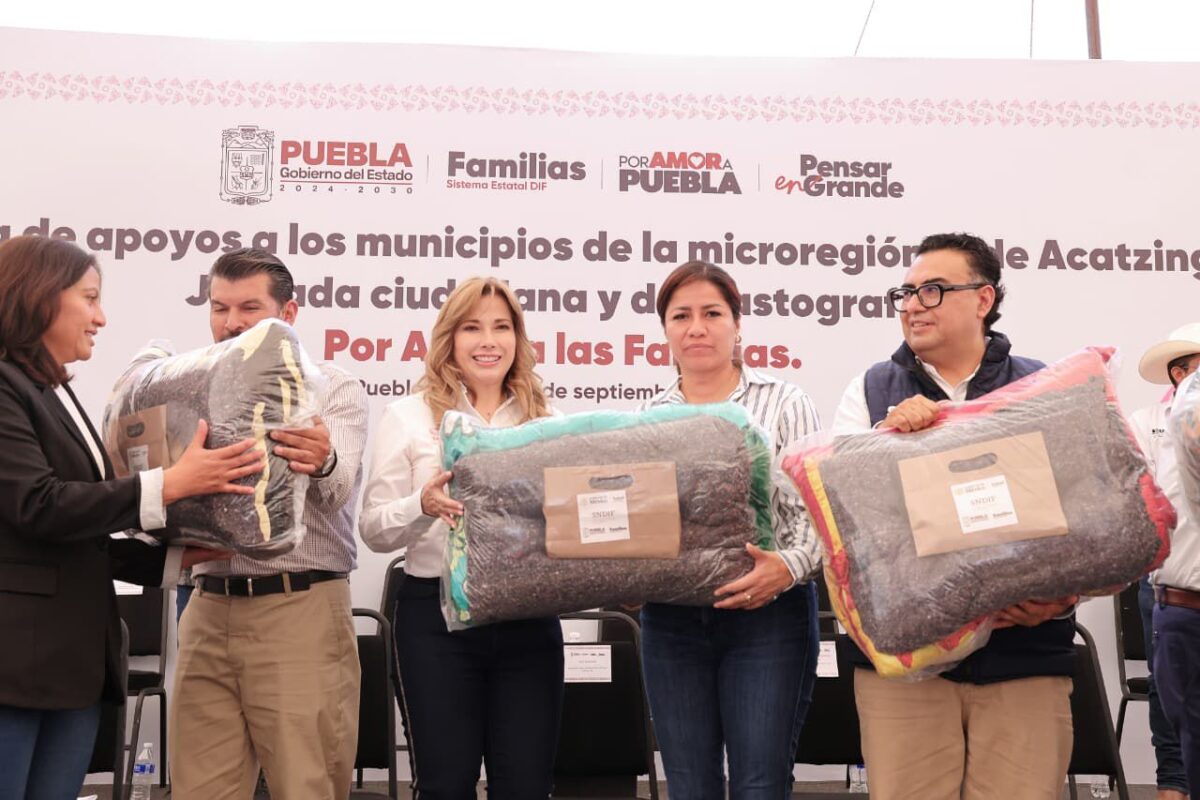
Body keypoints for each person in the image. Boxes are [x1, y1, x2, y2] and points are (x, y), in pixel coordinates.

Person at [0, 235, 262, 800]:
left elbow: (78, 537)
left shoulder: (50, 390)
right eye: (90, 298)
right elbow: (38, 506)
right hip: (15, 669)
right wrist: (172, 484)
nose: (101, 318)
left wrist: (176, 560)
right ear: (39, 296)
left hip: (71, 669)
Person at [831, 232, 1077, 800]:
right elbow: (846, 519)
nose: (913, 305)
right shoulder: (870, 391)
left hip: (1025, 660)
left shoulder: (1043, 387)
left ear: (983, 299)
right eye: (906, 292)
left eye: (933, 290)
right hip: (905, 666)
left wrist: (1064, 596)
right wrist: (886, 441)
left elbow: (1084, 509)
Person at [169, 249, 370, 800]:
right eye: (219, 308)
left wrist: (323, 460)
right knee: (198, 792)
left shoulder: (333, 387)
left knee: (306, 786)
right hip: (206, 607)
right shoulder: (186, 389)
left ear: (289, 313)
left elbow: (339, 490)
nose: (231, 322)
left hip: (297, 610)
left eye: (249, 308)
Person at [360, 276, 562, 799]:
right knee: (445, 785)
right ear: (449, 338)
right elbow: (374, 528)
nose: (488, 341)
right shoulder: (408, 416)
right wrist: (421, 505)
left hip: (528, 618)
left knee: (526, 787)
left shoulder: (548, 421)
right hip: (434, 621)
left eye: (501, 327)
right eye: (472, 328)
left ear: (518, 337)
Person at [637, 260, 821, 799]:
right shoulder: (646, 418)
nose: (696, 328)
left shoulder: (786, 402)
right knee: (689, 787)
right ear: (665, 330)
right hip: (671, 622)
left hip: (769, 616)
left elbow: (816, 512)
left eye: (712, 314)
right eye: (681, 316)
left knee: (760, 785)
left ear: (737, 325)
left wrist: (786, 568)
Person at [1139, 324, 1200, 800]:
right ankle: (1172, 785)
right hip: (1176, 587)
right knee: (1171, 698)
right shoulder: (1151, 421)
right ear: (1180, 373)